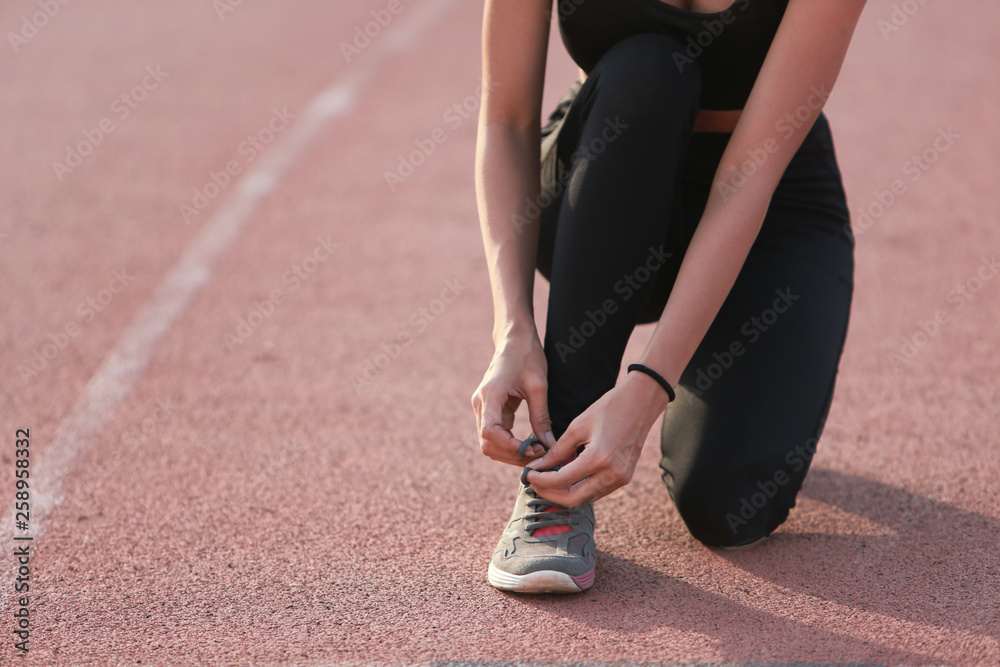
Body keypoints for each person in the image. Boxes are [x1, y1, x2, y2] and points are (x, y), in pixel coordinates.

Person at [471, 0, 867, 593]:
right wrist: (513, 327)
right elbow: (506, 120)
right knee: (649, 68)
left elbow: (747, 177)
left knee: (728, 507)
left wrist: (649, 386)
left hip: (767, 196)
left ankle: (710, 395)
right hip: (606, 164)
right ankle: (555, 490)